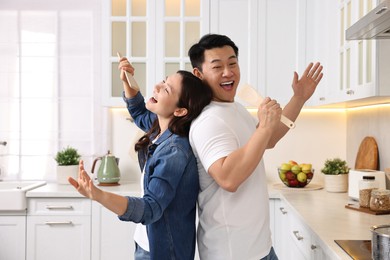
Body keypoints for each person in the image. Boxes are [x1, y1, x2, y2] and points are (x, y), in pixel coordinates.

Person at [188, 34, 323, 260]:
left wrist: (298, 98)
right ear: (198, 75)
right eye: (217, 66)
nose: (228, 72)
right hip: (231, 253)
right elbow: (228, 178)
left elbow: (268, 138)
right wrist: (263, 128)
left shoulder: (236, 110)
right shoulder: (208, 121)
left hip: (259, 248)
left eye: (232, 63)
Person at [68, 60, 213, 260]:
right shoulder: (161, 130)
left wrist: (98, 195)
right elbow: (138, 112)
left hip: (163, 252)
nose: (156, 87)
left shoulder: (174, 151)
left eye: (166, 90)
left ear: (180, 111)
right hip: (147, 243)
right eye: (163, 81)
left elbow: (150, 208)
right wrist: (128, 82)